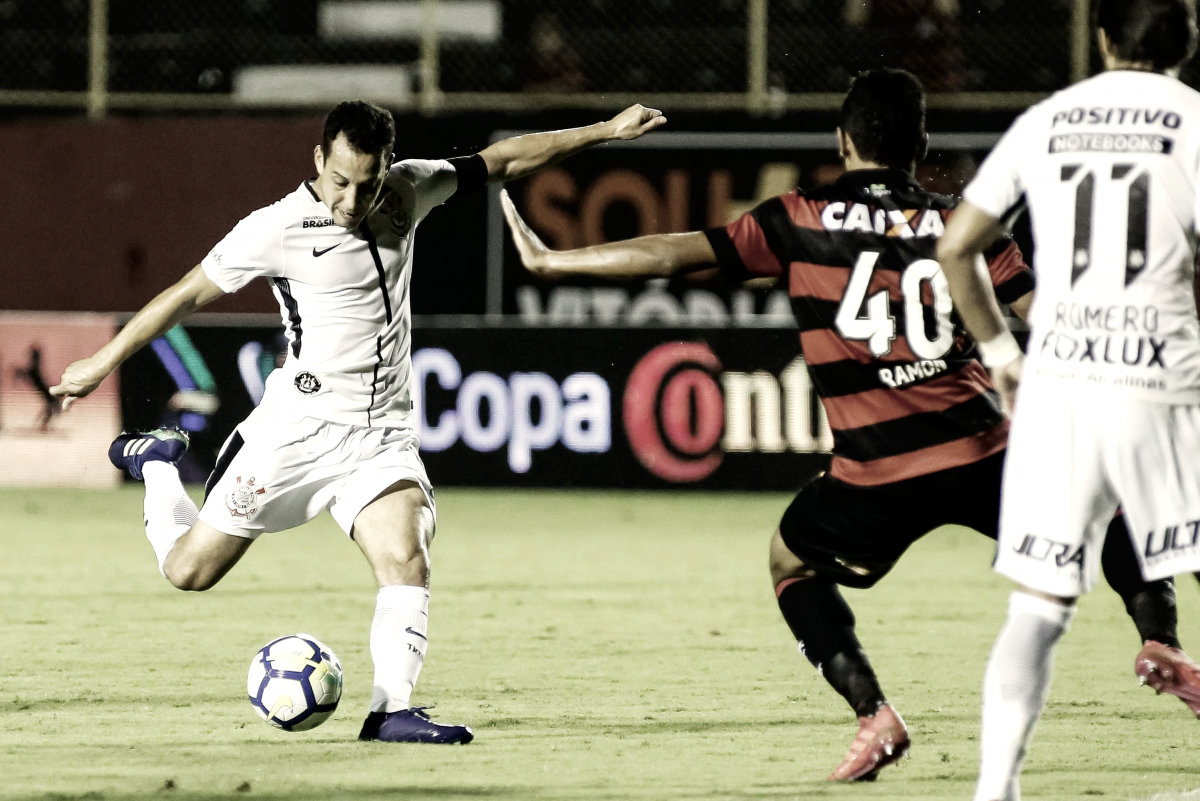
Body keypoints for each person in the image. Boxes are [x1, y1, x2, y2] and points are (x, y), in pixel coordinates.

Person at [500, 68, 1196, 781]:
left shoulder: (796, 218)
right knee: (1113, 507)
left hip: (875, 473)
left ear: (841, 141)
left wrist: (555, 261)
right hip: (984, 447)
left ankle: (874, 712)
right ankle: (1160, 641)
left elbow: (678, 252)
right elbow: (1048, 321)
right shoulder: (966, 223)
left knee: (788, 560)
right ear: (920, 146)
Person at [49, 99, 667, 744]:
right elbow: (183, 294)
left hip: (381, 435)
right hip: (296, 433)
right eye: (339, 180)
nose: (351, 199)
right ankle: (155, 466)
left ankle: (389, 710)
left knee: (406, 556)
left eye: (366, 183)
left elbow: (506, 159)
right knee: (187, 573)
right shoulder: (274, 228)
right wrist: (102, 359)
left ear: (387, 169)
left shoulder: (411, 190)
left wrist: (605, 131)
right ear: (319, 160)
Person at [938, 0, 1200, 798]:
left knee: (1040, 605)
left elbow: (957, 247)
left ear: (1103, 37)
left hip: (1061, 386)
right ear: (1188, 43)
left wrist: (1000, 357)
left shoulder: (1047, 120)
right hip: (1164, 381)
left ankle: (996, 788)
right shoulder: (1195, 122)